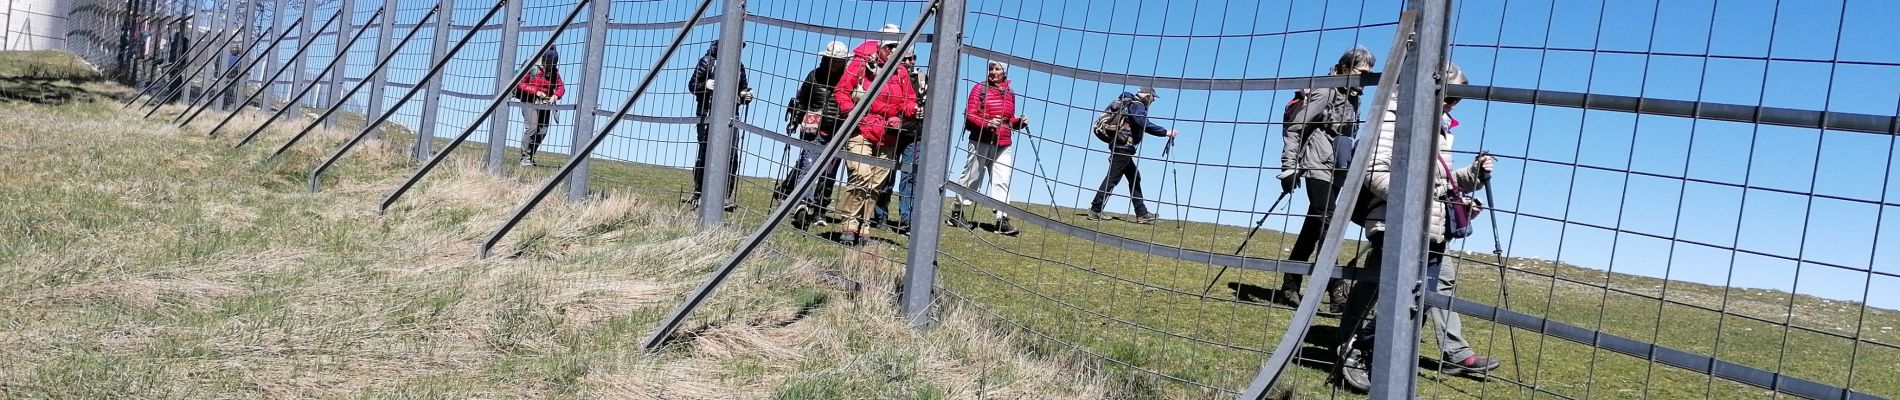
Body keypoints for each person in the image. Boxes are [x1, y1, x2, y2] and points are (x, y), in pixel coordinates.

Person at [1334, 63, 1503, 391]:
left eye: (1459, 99)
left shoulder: (1440, 125)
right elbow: (1374, 171)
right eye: (1450, 96)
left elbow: (1442, 181)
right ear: (1430, 87)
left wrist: (1472, 176)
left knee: (1428, 288)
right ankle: (1355, 350)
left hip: (1431, 223)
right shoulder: (1394, 114)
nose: (1453, 104)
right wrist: (1418, 200)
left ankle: (1438, 352)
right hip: (1396, 220)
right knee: (1382, 287)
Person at [1276, 47, 1375, 310]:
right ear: (1344, 68)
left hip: (1337, 170)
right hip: (1317, 165)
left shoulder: (1353, 96)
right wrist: (1289, 166)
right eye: (1361, 72)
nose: (1365, 78)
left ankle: (1289, 285)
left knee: (1314, 228)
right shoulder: (1325, 90)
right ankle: (1336, 290)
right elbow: (1296, 128)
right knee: (1329, 225)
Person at [831, 24, 919, 245]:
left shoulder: (901, 72)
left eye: (896, 47)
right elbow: (841, 91)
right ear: (879, 45)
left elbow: (908, 100)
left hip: (888, 134)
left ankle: (864, 228)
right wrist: (852, 113)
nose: (892, 51)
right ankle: (849, 225)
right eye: (889, 46)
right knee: (860, 174)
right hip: (860, 128)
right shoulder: (860, 63)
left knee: (876, 183)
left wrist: (912, 111)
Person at [948, 60, 1029, 235]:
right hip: (981, 139)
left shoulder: (1010, 93)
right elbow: (970, 115)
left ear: (1004, 72)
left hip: (1003, 142)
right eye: (990, 68)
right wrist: (988, 123)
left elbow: (1009, 120)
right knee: (972, 177)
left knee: (1002, 179)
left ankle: (1002, 219)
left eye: (997, 68)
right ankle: (957, 212)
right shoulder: (979, 88)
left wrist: (1019, 122)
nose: (993, 72)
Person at [781, 41, 852, 230]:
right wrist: (794, 121)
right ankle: (802, 203)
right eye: (832, 60)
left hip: (839, 130)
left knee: (829, 173)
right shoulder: (814, 76)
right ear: (826, 58)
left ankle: (820, 210)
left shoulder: (850, 78)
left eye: (839, 60)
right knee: (808, 165)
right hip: (814, 129)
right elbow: (802, 100)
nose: (835, 63)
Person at [1086, 86, 1176, 224]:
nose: (1153, 101)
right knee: (1113, 178)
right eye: (1153, 98)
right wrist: (1165, 132)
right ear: (1147, 97)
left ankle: (1141, 213)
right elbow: (1142, 123)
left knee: (1134, 177)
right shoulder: (1137, 106)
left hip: (1121, 146)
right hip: (1123, 147)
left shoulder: (1130, 104)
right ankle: (1096, 209)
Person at [687, 40, 755, 211]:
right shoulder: (706, 61)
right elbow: (692, 85)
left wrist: (745, 96)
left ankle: (724, 196)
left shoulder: (739, 66)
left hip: (732, 115)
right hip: (707, 113)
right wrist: (705, 85)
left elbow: (742, 90)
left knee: (732, 154)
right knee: (706, 151)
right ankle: (699, 192)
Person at [876, 50, 926, 234]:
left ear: (915, 60)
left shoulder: (923, 80)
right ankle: (880, 216)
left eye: (911, 58)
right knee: (886, 175)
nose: (907, 61)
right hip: (890, 132)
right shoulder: (890, 76)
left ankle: (906, 220)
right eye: (903, 58)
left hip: (914, 135)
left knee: (910, 177)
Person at [514, 48, 564, 167]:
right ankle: (524, 158)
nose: (550, 67)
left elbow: (561, 87)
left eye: (553, 65)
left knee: (543, 131)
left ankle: (530, 156)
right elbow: (520, 83)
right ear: (544, 61)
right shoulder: (532, 67)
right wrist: (536, 92)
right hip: (529, 101)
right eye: (549, 64)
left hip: (545, 103)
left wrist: (556, 96)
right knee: (532, 128)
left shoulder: (554, 72)